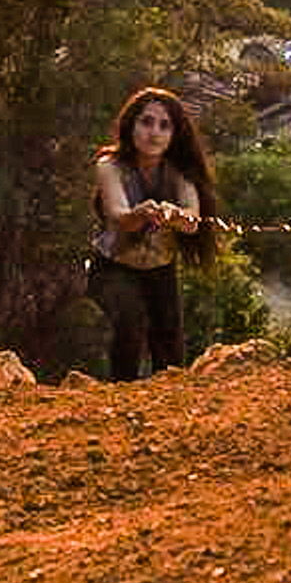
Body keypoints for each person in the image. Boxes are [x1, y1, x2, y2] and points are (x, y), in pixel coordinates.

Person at [86, 86, 218, 381]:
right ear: (131, 125)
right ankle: (121, 394)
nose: (154, 133)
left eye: (164, 126)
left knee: (170, 346)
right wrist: (141, 213)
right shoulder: (110, 167)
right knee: (129, 322)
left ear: (174, 134)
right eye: (146, 122)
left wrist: (173, 214)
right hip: (113, 267)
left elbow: (192, 220)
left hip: (161, 269)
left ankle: (167, 407)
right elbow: (118, 216)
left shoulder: (180, 174)